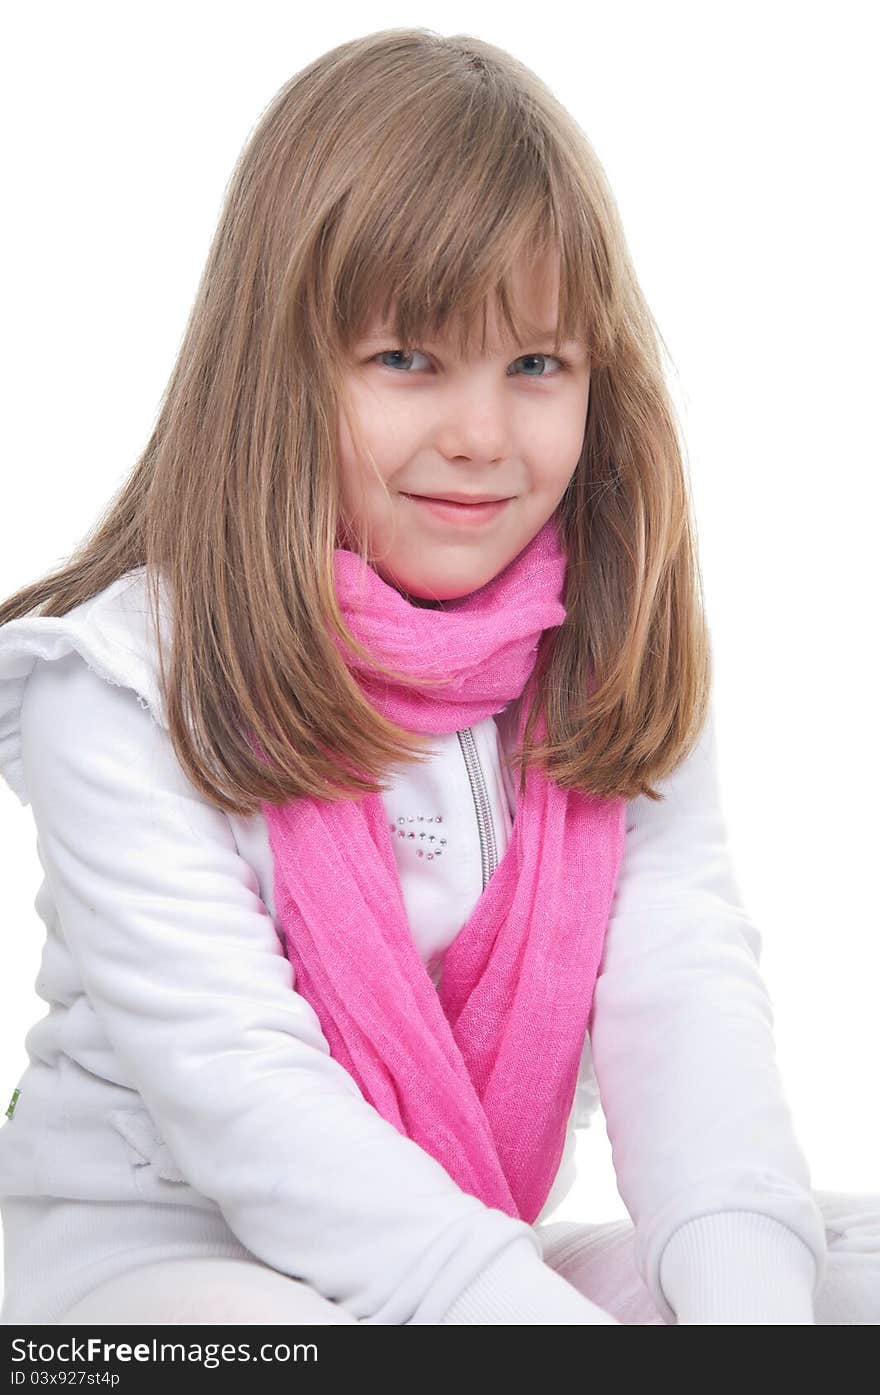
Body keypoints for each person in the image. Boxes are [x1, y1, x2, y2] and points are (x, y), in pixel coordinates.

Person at [0, 28, 877, 1327]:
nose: (480, 436)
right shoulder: (123, 687)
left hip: (467, 1241)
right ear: (282, 372)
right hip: (146, 1257)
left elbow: (683, 997)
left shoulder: (602, 654)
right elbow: (247, 1094)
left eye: (536, 366)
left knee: (821, 1270)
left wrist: (751, 1318)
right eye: (407, 359)